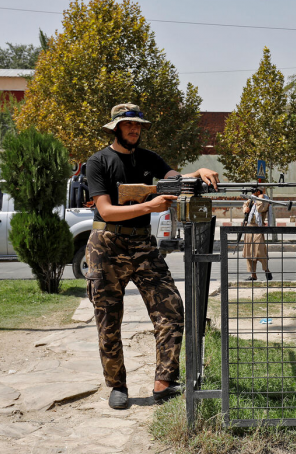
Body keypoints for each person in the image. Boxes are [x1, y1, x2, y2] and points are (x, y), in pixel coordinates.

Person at [85, 103, 219, 410]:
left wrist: (197, 171)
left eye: (138, 126)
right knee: (108, 319)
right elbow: (105, 209)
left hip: (143, 244)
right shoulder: (98, 162)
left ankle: (164, 383)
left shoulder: (149, 158)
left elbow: (175, 178)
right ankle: (117, 386)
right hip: (106, 245)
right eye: (128, 125)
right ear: (116, 127)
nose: (134, 130)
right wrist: (149, 207)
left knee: (171, 309)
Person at [243, 188, 272, 280]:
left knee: (260, 251)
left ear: (259, 192)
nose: (252, 194)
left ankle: (266, 270)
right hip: (249, 228)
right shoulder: (251, 200)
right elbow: (245, 206)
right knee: (249, 252)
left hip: (258, 228)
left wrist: (260, 198)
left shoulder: (264, 200)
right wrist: (245, 209)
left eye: (254, 192)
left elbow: (260, 208)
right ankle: (253, 275)